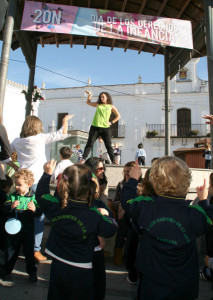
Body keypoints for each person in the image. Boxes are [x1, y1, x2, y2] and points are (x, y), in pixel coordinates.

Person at [121, 156, 213, 300]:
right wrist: (203, 201)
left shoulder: (147, 206)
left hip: (152, 282)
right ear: (186, 182)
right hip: (184, 284)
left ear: (155, 183)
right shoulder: (195, 214)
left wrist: (133, 179)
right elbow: (210, 222)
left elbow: (127, 201)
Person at [35, 160, 117, 300]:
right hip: (81, 267)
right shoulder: (94, 214)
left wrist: (47, 174)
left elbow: (41, 195)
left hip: (58, 262)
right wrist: (106, 216)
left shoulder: (56, 206)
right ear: (92, 187)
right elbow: (111, 229)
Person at [10, 114, 74, 262]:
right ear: (37, 127)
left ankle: (16, 244)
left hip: (22, 181)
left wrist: (16, 167)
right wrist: (64, 121)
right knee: (39, 216)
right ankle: (35, 250)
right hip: (38, 181)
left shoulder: (16, 141)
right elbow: (62, 134)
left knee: (19, 211)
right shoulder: (40, 138)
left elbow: (7, 155)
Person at [3, 169, 41, 282]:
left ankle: (32, 272)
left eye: (19, 184)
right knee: (11, 251)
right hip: (13, 231)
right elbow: (4, 209)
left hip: (27, 231)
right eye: (16, 184)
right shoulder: (12, 196)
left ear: (29, 184)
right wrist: (10, 207)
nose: (17, 187)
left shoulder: (33, 198)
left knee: (29, 253)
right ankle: (7, 269)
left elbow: (40, 212)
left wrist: (35, 210)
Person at [81, 91, 121, 164]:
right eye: (100, 97)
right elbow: (88, 102)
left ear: (107, 97)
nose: (101, 98)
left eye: (103, 97)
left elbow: (118, 116)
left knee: (108, 145)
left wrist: (111, 122)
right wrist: (90, 95)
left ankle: (113, 161)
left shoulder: (111, 106)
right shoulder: (98, 104)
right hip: (95, 127)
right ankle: (83, 158)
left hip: (106, 128)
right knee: (90, 143)